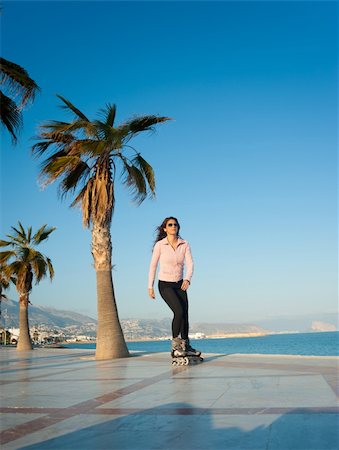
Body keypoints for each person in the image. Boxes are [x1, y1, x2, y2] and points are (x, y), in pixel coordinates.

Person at [148, 216, 200, 357]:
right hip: (164, 284)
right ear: (165, 228)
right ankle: (176, 346)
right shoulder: (160, 245)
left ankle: (186, 345)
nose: (173, 227)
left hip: (180, 284)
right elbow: (153, 266)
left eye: (175, 224)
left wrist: (187, 279)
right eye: (170, 225)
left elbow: (190, 264)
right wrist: (150, 286)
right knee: (178, 311)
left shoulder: (184, 244)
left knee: (185, 315)